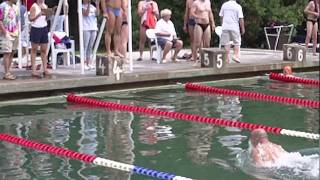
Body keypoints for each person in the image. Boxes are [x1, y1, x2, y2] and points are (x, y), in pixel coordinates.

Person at [190, 0, 215, 65]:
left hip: (207, 24)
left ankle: (205, 59)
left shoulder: (208, 2)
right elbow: (192, 13)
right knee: (197, 43)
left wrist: (213, 23)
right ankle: (195, 60)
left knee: (207, 44)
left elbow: (210, 13)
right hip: (199, 24)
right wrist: (199, 17)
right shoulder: (196, 3)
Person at [29, 0, 50, 77]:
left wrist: (48, 14)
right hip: (36, 28)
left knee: (44, 49)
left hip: (44, 27)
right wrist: (38, 15)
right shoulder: (34, 6)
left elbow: (46, 18)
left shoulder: (45, 6)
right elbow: (30, 19)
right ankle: (33, 69)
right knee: (34, 49)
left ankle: (45, 68)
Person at [0, 0, 19, 80]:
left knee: (12, 52)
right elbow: (0, 20)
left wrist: (17, 31)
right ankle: (6, 73)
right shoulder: (2, 6)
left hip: (15, 33)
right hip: (6, 33)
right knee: (7, 52)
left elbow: (17, 20)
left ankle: (9, 71)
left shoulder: (15, 7)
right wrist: (5, 32)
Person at [82, 0, 99, 70]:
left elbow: (97, 14)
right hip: (86, 28)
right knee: (85, 46)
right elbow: (86, 14)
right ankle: (84, 63)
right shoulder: (81, 7)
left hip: (93, 28)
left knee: (90, 46)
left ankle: (89, 63)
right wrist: (88, 4)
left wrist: (97, 4)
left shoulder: (93, 7)